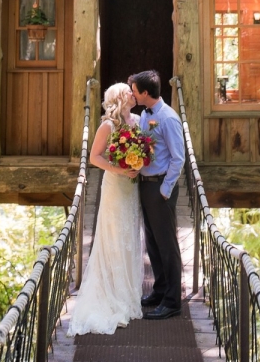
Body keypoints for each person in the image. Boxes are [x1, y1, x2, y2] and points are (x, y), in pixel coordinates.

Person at [67, 82, 143, 336]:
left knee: (130, 234)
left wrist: (139, 162)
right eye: (128, 92)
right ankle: (111, 294)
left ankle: (129, 294)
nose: (133, 94)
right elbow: (94, 157)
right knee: (114, 236)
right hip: (114, 185)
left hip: (131, 187)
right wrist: (120, 169)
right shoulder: (107, 125)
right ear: (119, 97)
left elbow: (143, 148)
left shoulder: (138, 120)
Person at [129, 69, 185, 320]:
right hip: (145, 184)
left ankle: (173, 301)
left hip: (160, 187)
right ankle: (160, 290)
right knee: (152, 242)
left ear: (145, 92)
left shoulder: (169, 118)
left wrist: (165, 190)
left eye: (134, 90)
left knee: (167, 245)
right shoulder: (144, 115)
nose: (132, 94)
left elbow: (178, 158)